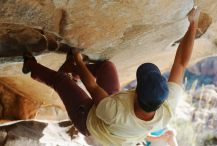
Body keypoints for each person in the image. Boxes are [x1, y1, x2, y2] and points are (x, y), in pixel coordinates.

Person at [22, 7, 199, 146]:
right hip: (112, 112)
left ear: (136, 93)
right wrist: (193, 23)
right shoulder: (167, 109)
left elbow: (92, 87)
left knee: (61, 81)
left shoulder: (116, 113)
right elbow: (182, 63)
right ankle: (72, 68)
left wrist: (78, 59)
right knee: (107, 67)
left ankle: (30, 65)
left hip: (88, 121)